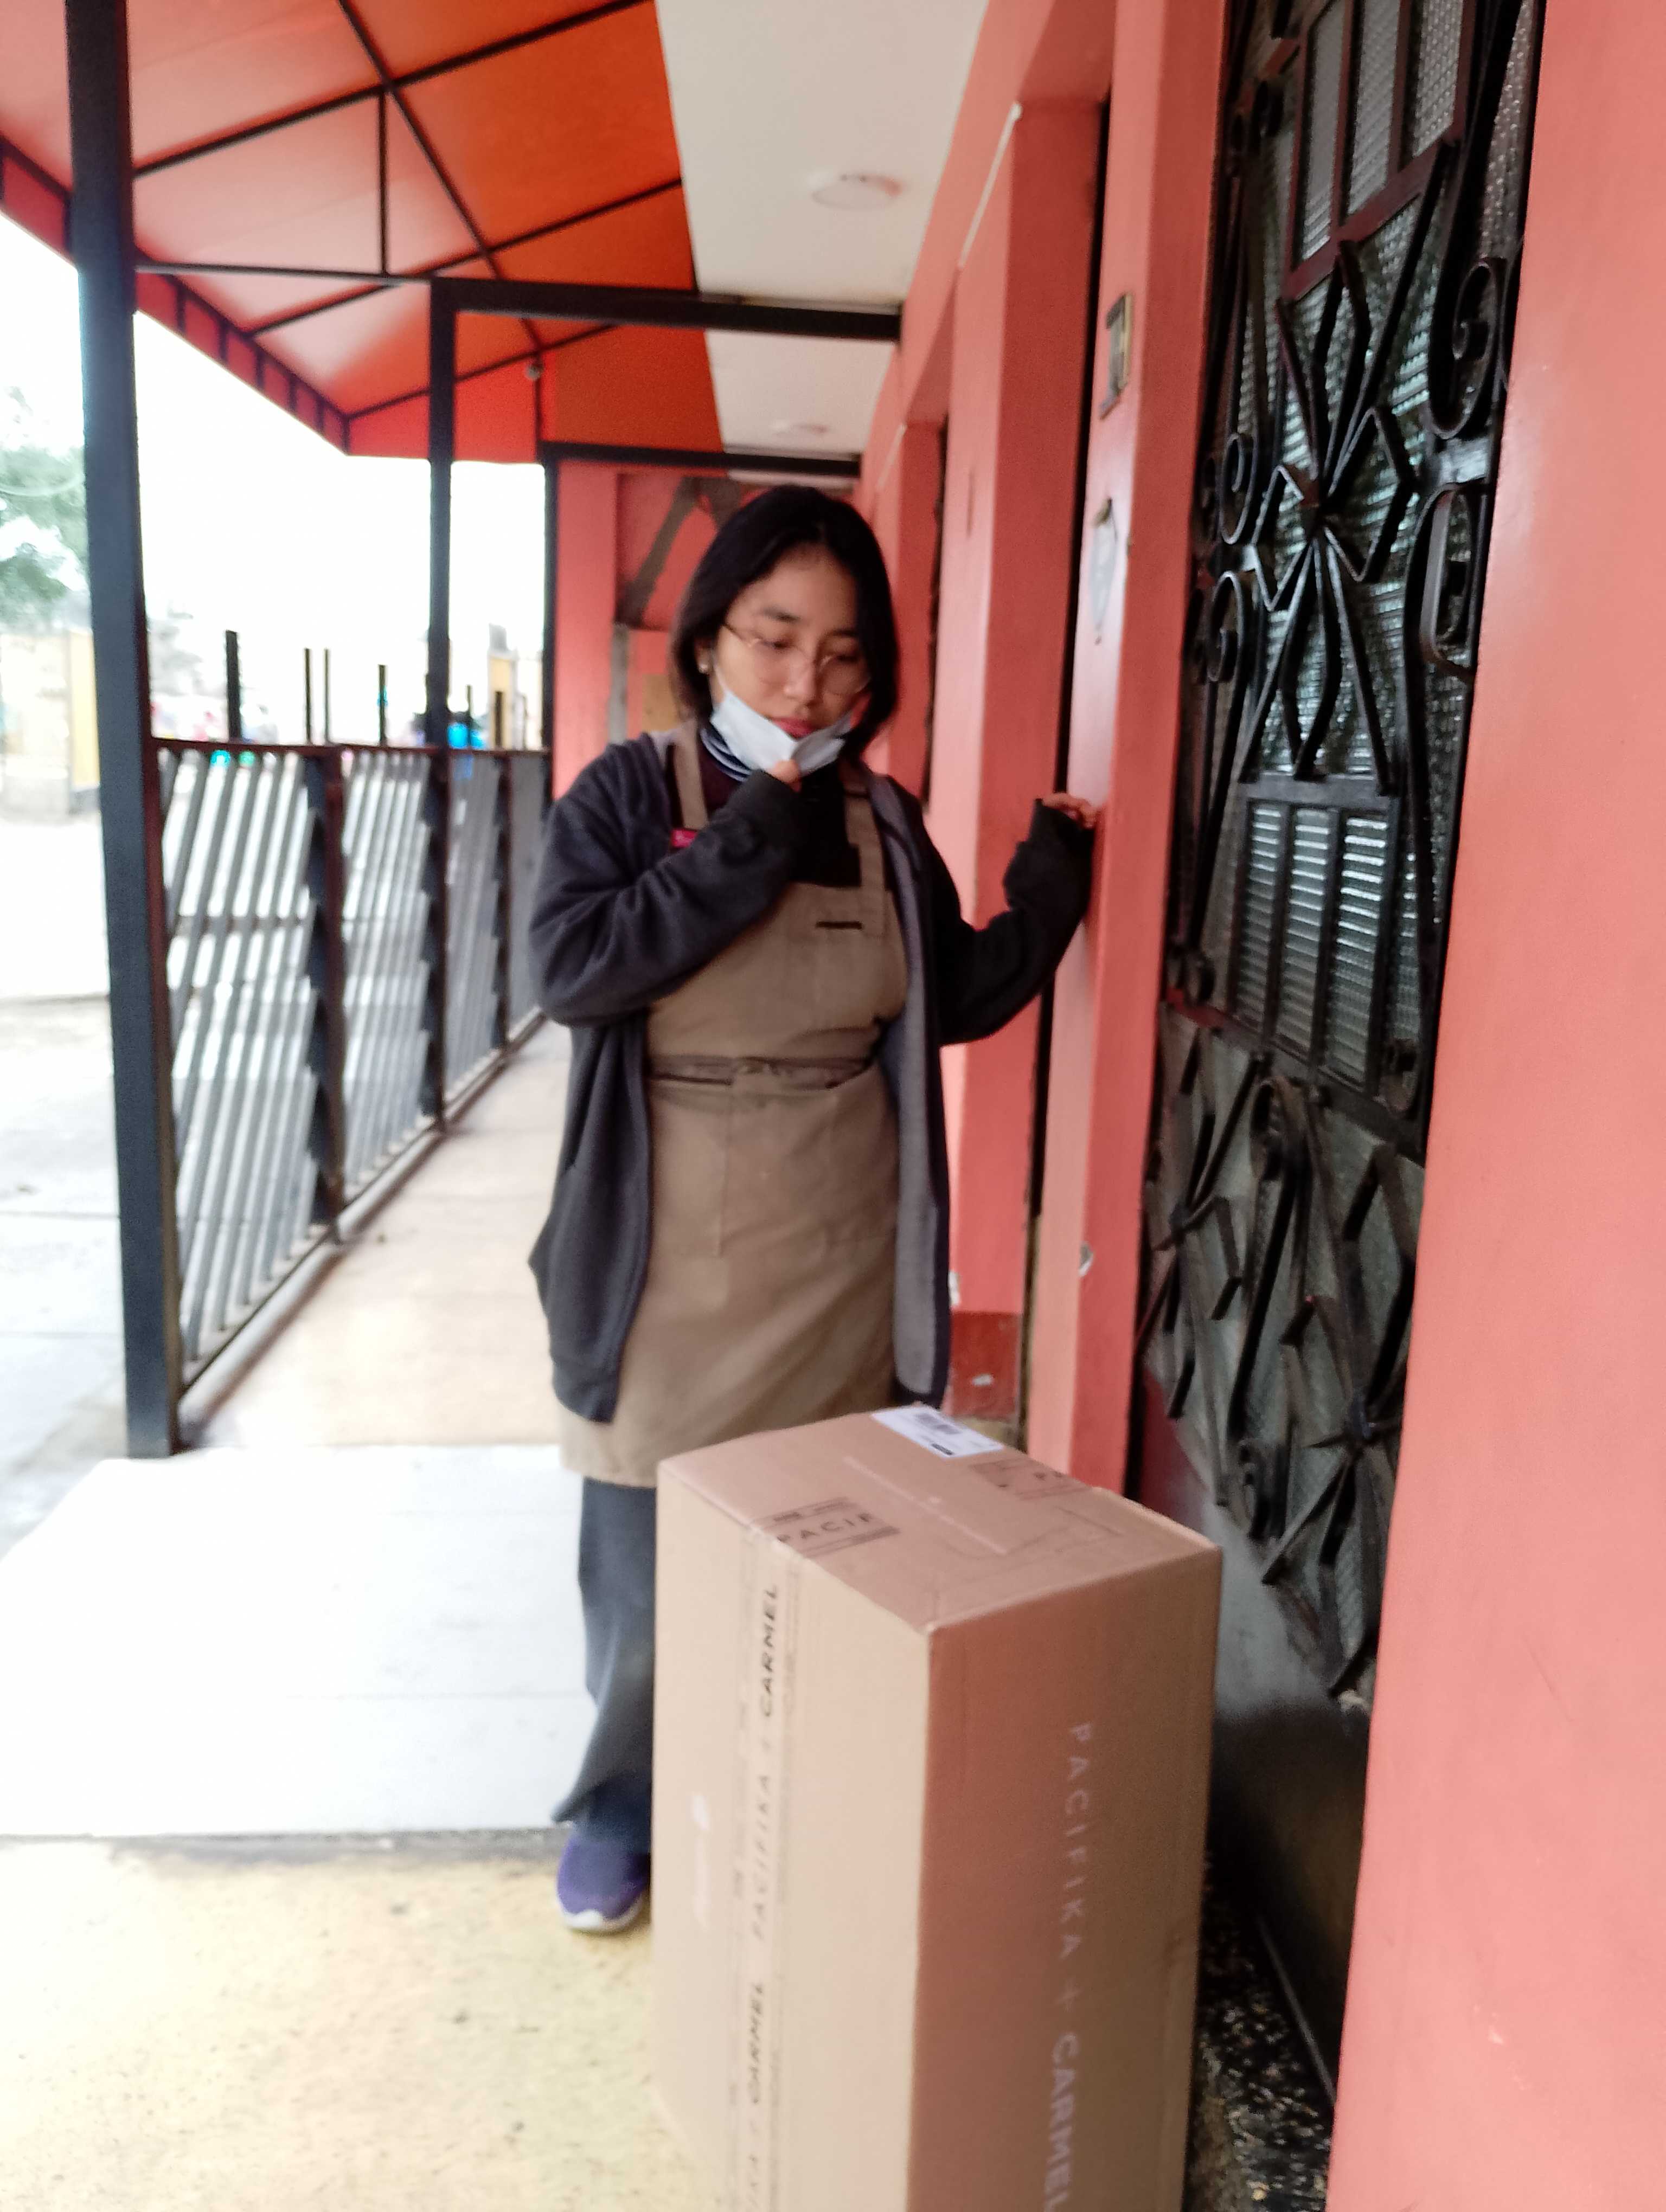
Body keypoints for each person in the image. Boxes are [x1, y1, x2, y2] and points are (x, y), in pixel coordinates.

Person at [527, 486, 1098, 1932]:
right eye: (775, 639)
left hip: (845, 1245)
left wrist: (1048, 888)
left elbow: (953, 994)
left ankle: (792, 1798)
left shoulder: (886, 819)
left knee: (834, 1549)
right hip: (666, 1259)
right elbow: (576, 972)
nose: (806, 682)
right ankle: (620, 1807)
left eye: (844, 656)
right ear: (709, 640)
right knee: (648, 1581)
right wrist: (753, 832)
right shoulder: (627, 795)